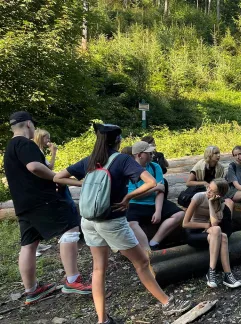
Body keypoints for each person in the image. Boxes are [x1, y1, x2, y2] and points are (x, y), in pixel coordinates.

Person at [54, 124, 192, 324]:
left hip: (89, 221)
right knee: (142, 262)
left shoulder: (90, 161)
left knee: (98, 269)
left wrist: (82, 184)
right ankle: (167, 304)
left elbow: (58, 177)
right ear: (117, 140)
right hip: (112, 221)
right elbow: (151, 183)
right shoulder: (122, 160)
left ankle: (102, 320)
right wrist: (128, 196)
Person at [4, 112, 91, 305]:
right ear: (28, 124)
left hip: (23, 204)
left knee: (29, 244)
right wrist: (55, 176)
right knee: (70, 227)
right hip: (40, 200)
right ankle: (72, 280)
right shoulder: (25, 144)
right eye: (33, 125)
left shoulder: (9, 147)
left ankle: (32, 290)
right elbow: (35, 167)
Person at [182, 179, 241, 289]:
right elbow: (185, 223)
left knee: (222, 235)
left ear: (219, 195)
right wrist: (205, 226)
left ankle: (226, 275)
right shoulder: (198, 197)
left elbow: (214, 223)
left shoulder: (221, 205)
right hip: (193, 232)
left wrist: (211, 203)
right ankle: (213, 271)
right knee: (219, 233)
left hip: (211, 233)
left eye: (212, 191)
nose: (208, 191)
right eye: (209, 187)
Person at [126, 141, 185, 251]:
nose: (152, 154)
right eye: (148, 153)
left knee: (180, 214)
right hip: (136, 205)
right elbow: (133, 196)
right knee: (131, 223)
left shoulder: (155, 167)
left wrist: (158, 211)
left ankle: (154, 242)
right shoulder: (129, 170)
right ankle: (146, 249)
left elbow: (161, 190)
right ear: (140, 155)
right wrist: (155, 188)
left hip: (154, 202)